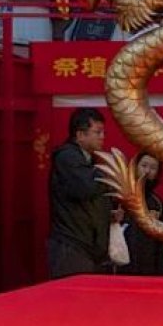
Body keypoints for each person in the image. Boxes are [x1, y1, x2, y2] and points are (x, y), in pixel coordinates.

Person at [48, 107, 113, 278]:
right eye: (97, 132)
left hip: (89, 247)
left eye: (103, 132)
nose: (102, 137)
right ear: (80, 135)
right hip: (72, 245)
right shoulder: (67, 157)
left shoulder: (90, 160)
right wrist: (109, 170)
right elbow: (85, 188)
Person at [115, 152, 163, 277]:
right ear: (135, 167)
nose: (147, 171)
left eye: (153, 168)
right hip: (122, 263)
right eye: (144, 165)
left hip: (150, 265)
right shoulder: (120, 196)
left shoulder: (157, 203)